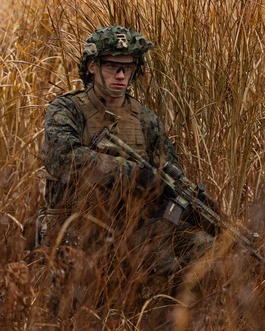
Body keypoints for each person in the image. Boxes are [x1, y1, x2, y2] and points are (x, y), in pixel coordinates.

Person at [35, 25, 208, 282]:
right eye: (111, 66)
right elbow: (63, 159)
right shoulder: (68, 109)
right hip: (75, 231)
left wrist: (183, 199)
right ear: (92, 66)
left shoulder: (145, 119)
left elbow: (168, 173)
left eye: (127, 68)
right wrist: (132, 173)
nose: (120, 75)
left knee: (205, 247)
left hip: (131, 230)